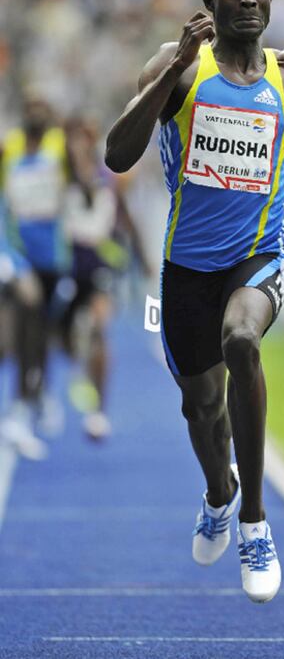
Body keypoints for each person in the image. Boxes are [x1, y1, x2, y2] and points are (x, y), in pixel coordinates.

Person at [105, 0, 284, 603]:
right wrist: (172, 68)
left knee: (243, 341)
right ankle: (220, 491)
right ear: (210, 0)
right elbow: (117, 155)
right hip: (186, 268)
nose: (248, 0)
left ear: (271, 2)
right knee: (202, 406)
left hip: (263, 252)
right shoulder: (179, 66)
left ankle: (254, 518)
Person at [62, 117, 153, 441]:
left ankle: (99, 410)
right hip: (65, 267)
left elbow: (127, 218)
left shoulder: (108, 180)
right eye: (73, 139)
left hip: (99, 267)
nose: (79, 145)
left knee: (100, 329)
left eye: (85, 138)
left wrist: (143, 258)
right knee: (66, 341)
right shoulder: (59, 179)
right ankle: (47, 390)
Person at [0, 94, 69, 460]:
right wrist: (10, 258)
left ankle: (36, 393)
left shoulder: (60, 148)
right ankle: (20, 406)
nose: (37, 113)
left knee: (45, 333)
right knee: (21, 329)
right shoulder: (8, 149)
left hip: (53, 257)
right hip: (18, 256)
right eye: (31, 108)